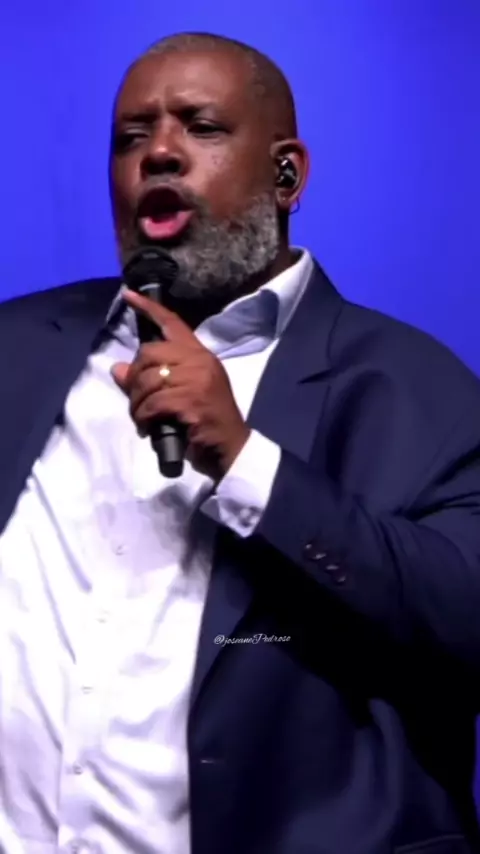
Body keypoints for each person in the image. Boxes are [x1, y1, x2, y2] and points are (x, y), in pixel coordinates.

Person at [1, 30, 480, 854]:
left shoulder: (410, 383)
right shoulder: (15, 349)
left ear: (286, 174)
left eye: (201, 127)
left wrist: (245, 460)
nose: (158, 152)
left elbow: (465, 622)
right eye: (131, 136)